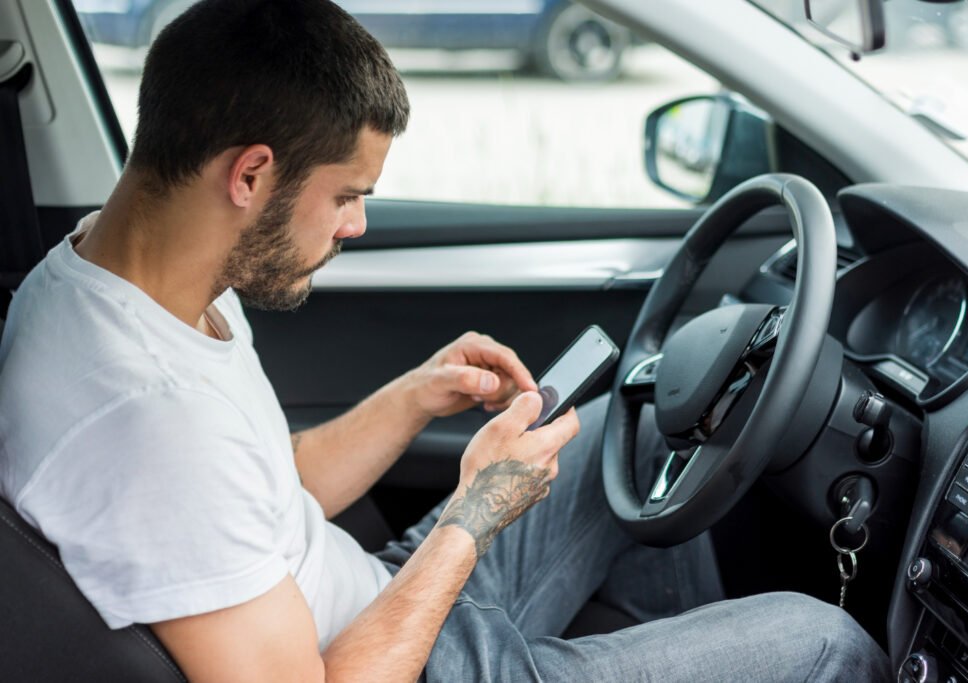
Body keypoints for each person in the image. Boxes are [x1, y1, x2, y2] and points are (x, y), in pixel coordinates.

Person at [0, 0, 891, 680]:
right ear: (252, 174)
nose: (353, 227)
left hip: (388, 595)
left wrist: (415, 393)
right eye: (348, 195)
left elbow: (274, 486)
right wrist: (473, 512)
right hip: (411, 659)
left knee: (652, 417)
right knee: (826, 640)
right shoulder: (146, 419)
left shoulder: (110, 274)